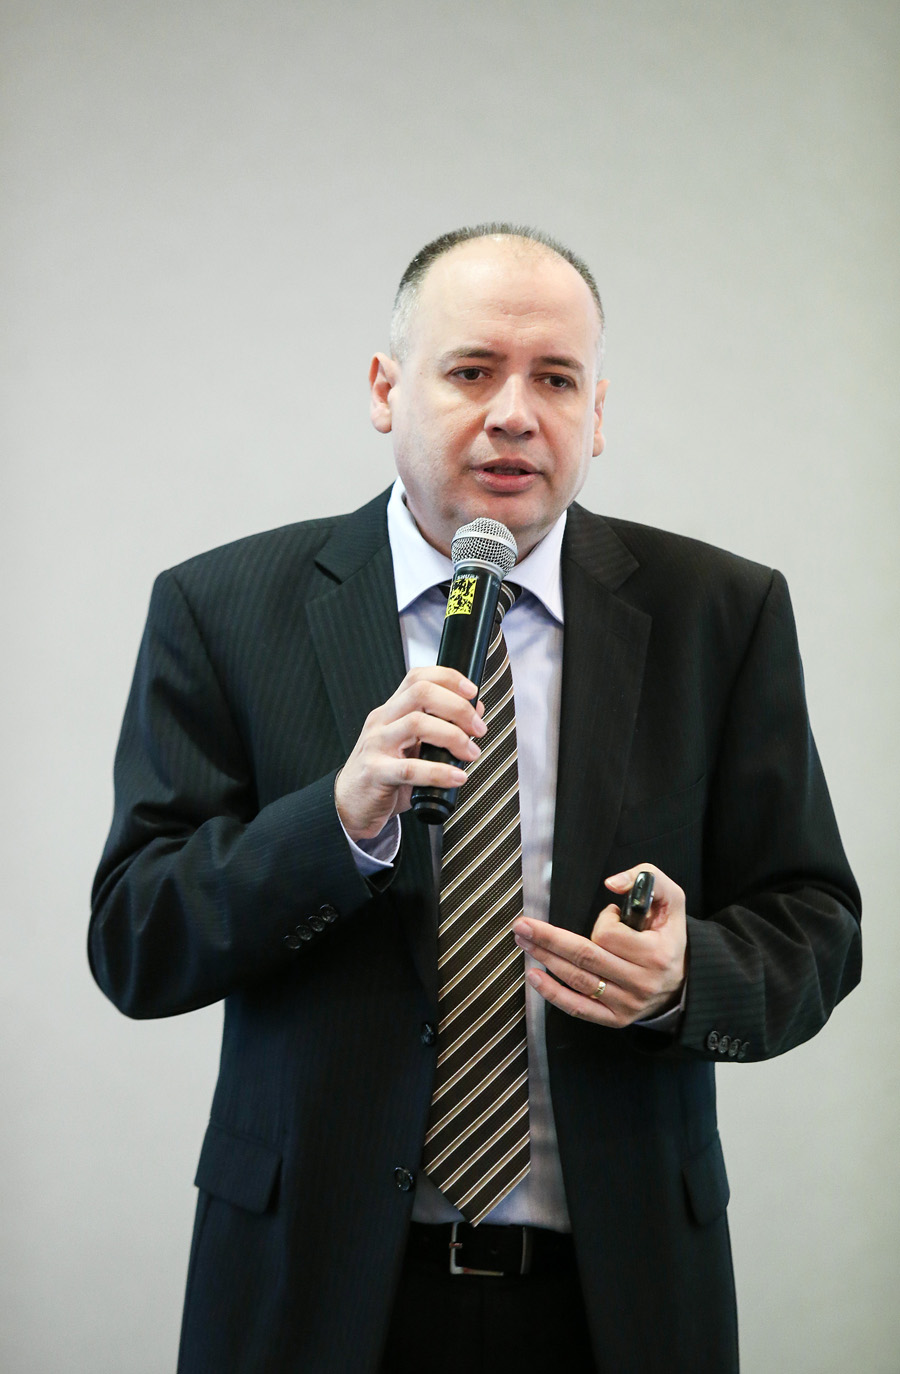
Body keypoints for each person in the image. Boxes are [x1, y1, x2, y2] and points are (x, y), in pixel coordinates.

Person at [89, 224, 861, 1374]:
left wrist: (684, 975)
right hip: (315, 1292)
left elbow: (818, 925)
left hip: (616, 1302)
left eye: (556, 379)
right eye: (471, 371)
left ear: (597, 413)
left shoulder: (721, 613)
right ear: (385, 389)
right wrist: (335, 825)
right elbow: (134, 941)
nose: (514, 414)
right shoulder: (224, 609)